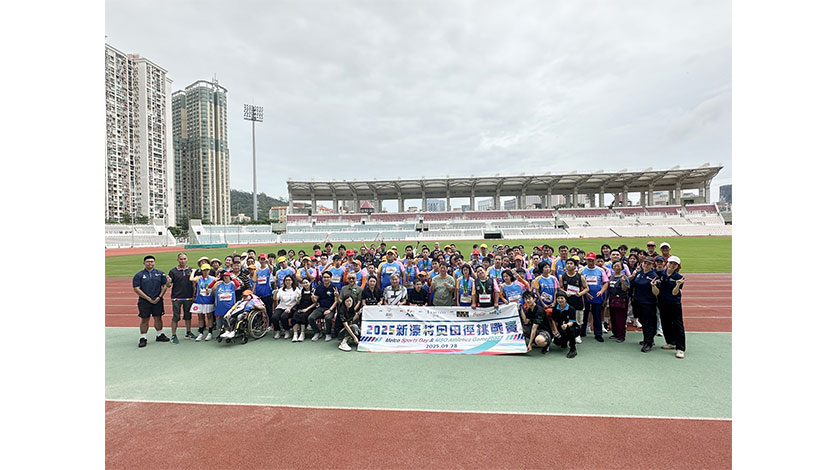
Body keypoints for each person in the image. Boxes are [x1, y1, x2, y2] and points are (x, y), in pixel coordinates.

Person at [652, 256, 686, 358]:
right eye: (670, 263)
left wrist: (677, 285)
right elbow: (657, 290)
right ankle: (671, 342)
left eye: (674, 264)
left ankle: (680, 348)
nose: (672, 265)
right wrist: (653, 285)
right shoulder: (660, 274)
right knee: (665, 323)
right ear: (667, 263)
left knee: (677, 325)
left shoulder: (679, 277)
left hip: (674, 303)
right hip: (662, 302)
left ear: (677, 266)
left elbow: (674, 293)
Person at [133, 255, 169, 347]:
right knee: (145, 319)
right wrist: (148, 298)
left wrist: (159, 297)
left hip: (157, 299)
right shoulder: (139, 275)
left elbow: (164, 286)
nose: (150, 263)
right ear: (144, 263)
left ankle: (159, 334)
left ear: (154, 262)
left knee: (158, 317)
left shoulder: (160, 273)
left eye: (152, 261)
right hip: (144, 301)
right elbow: (136, 288)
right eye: (148, 261)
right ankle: (143, 337)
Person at [630, 258, 659, 352]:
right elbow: (633, 284)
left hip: (648, 303)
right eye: (645, 263)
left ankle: (648, 343)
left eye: (649, 264)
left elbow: (657, 292)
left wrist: (653, 286)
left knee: (648, 323)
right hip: (638, 301)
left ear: (652, 265)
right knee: (643, 321)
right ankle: (647, 338)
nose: (646, 265)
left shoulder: (654, 276)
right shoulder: (639, 273)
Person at [167, 253, 196, 342]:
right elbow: (168, 285)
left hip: (188, 297)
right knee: (176, 316)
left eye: (184, 259)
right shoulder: (173, 271)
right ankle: (173, 335)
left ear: (187, 259)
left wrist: (194, 295)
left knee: (188, 316)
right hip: (177, 298)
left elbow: (194, 284)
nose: (183, 261)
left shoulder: (191, 271)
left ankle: (188, 332)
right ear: (178, 260)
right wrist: (168, 281)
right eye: (181, 259)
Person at [580, 253, 609, 342]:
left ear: (595, 260)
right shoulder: (582, 270)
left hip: (597, 296)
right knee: (584, 315)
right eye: (589, 260)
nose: (590, 262)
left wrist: (601, 291)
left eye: (592, 260)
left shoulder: (600, 270)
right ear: (586, 260)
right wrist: (585, 293)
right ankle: (582, 331)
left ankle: (598, 333)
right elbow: (579, 283)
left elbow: (606, 282)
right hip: (585, 296)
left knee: (597, 315)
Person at [560, 259, 589, 345]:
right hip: (567, 301)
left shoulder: (580, 277)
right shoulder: (563, 276)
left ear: (575, 266)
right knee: (567, 319)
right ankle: (568, 335)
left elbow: (587, 288)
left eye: (571, 263)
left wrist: (580, 294)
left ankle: (577, 335)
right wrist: (565, 293)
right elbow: (560, 287)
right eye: (567, 263)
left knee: (578, 320)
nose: (569, 265)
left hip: (578, 301)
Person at [308, 271, 339, 342]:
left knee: (328, 318)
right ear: (322, 278)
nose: (326, 279)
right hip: (321, 308)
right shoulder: (319, 287)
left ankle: (328, 333)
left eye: (328, 277)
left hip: (331, 308)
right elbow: (315, 301)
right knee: (311, 317)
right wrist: (313, 298)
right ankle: (317, 332)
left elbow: (336, 301)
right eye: (324, 277)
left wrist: (330, 310)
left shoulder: (334, 287)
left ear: (331, 278)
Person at [190, 263, 216, 342]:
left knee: (209, 316)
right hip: (199, 300)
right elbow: (191, 279)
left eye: (207, 270)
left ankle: (210, 333)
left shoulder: (213, 279)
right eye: (204, 270)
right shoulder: (198, 278)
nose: (206, 271)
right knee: (200, 317)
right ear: (201, 271)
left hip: (209, 300)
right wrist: (193, 271)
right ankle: (201, 333)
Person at [607, 261, 630, 343]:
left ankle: (621, 336)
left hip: (621, 299)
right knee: (613, 317)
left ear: (622, 268)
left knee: (620, 318)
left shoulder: (624, 277)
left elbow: (625, 289)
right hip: (612, 299)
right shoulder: (611, 277)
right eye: (615, 266)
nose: (616, 268)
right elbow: (608, 289)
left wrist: (623, 282)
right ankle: (615, 333)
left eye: (618, 266)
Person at [272, 274, 301, 340]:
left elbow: (297, 301)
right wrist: (275, 292)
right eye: (286, 280)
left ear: (292, 281)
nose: (287, 282)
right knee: (274, 317)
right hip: (281, 306)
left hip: (291, 307)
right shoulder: (281, 289)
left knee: (283, 316)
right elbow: (275, 299)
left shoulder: (296, 290)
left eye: (289, 280)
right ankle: (277, 331)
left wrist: (289, 308)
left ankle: (287, 330)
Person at [252, 254, 275, 321]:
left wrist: (268, 263)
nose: (262, 261)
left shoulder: (268, 269)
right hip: (259, 292)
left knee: (269, 308)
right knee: (259, 308)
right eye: (261, 259)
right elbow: (255, 282)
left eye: (263, 259)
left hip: (267, 292)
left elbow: (271, 269)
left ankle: (270, 322)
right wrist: (253, 292)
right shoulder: (257, 270)